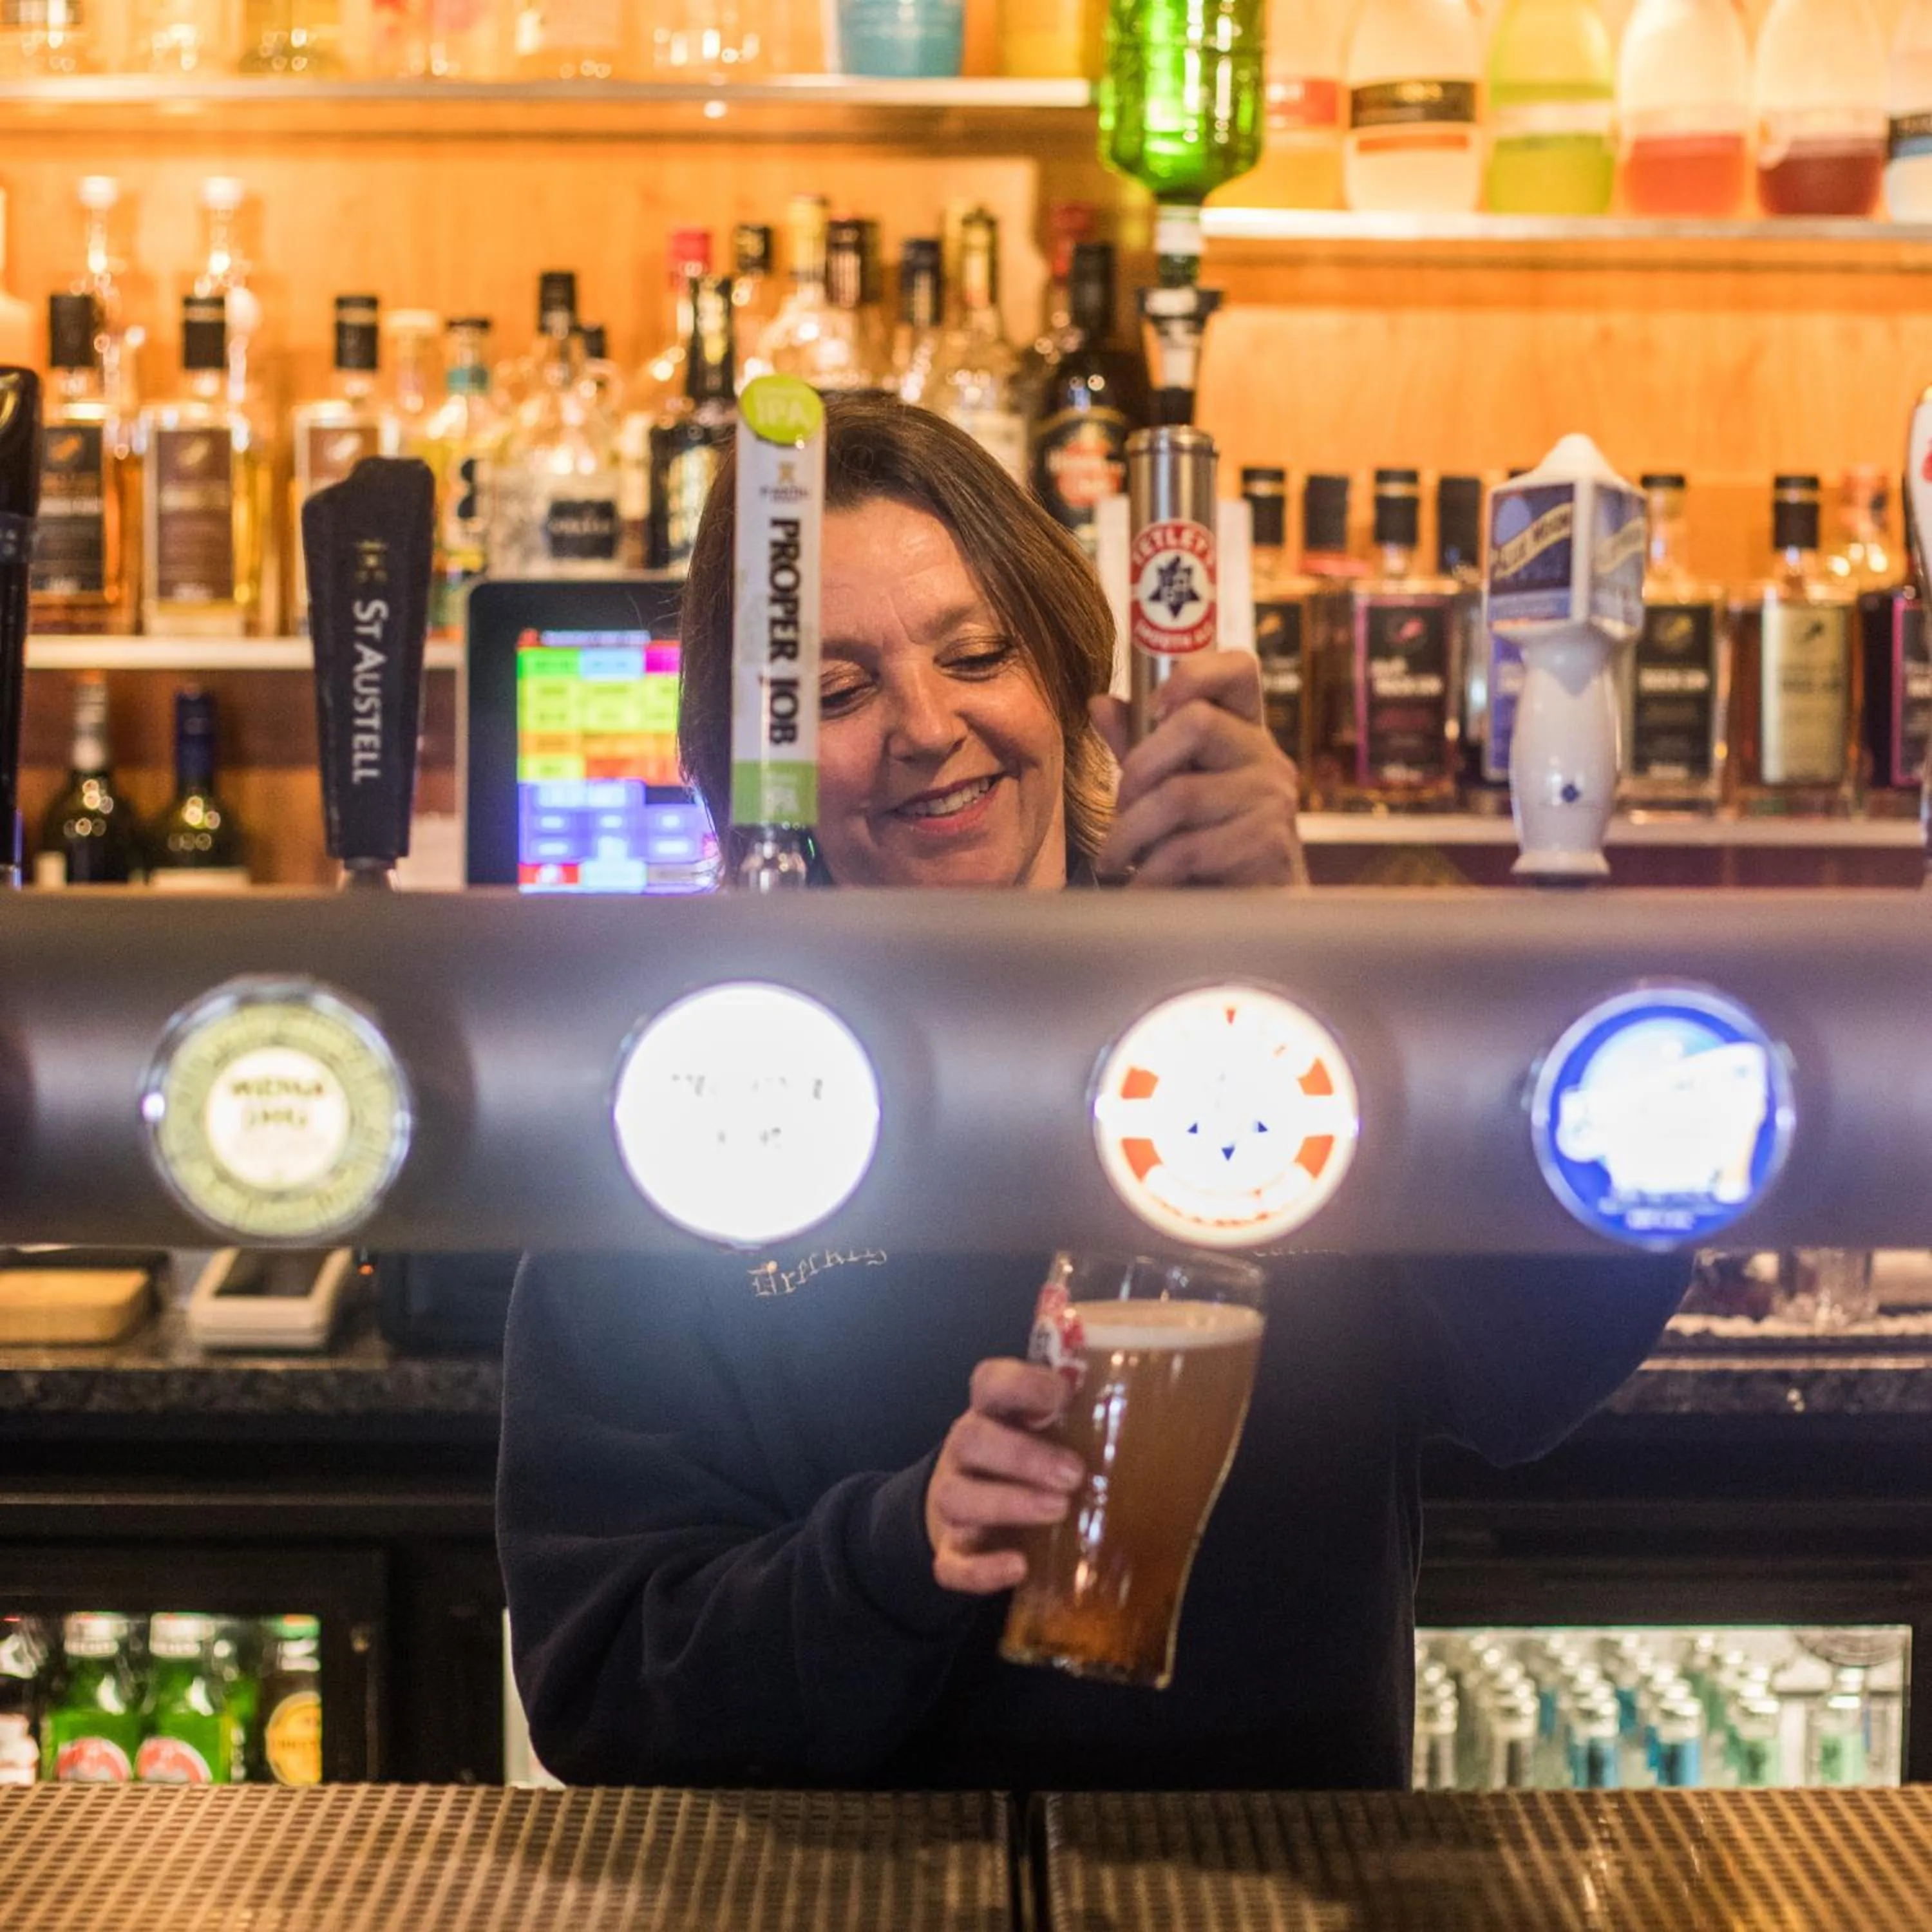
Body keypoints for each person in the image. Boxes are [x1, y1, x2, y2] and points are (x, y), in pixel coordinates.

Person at [497, 395, 1687, 1791]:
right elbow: (605, 1684)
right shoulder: (686, 1106)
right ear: (746, 758)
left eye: (976, 655)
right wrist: (900, 1551)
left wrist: (1309, 958)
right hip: (847, 1888)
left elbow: (1541, 1367)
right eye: (837, 692)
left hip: (1282, 1878)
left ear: (1067, 676)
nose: (927, 726)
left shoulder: (1271, 1027)